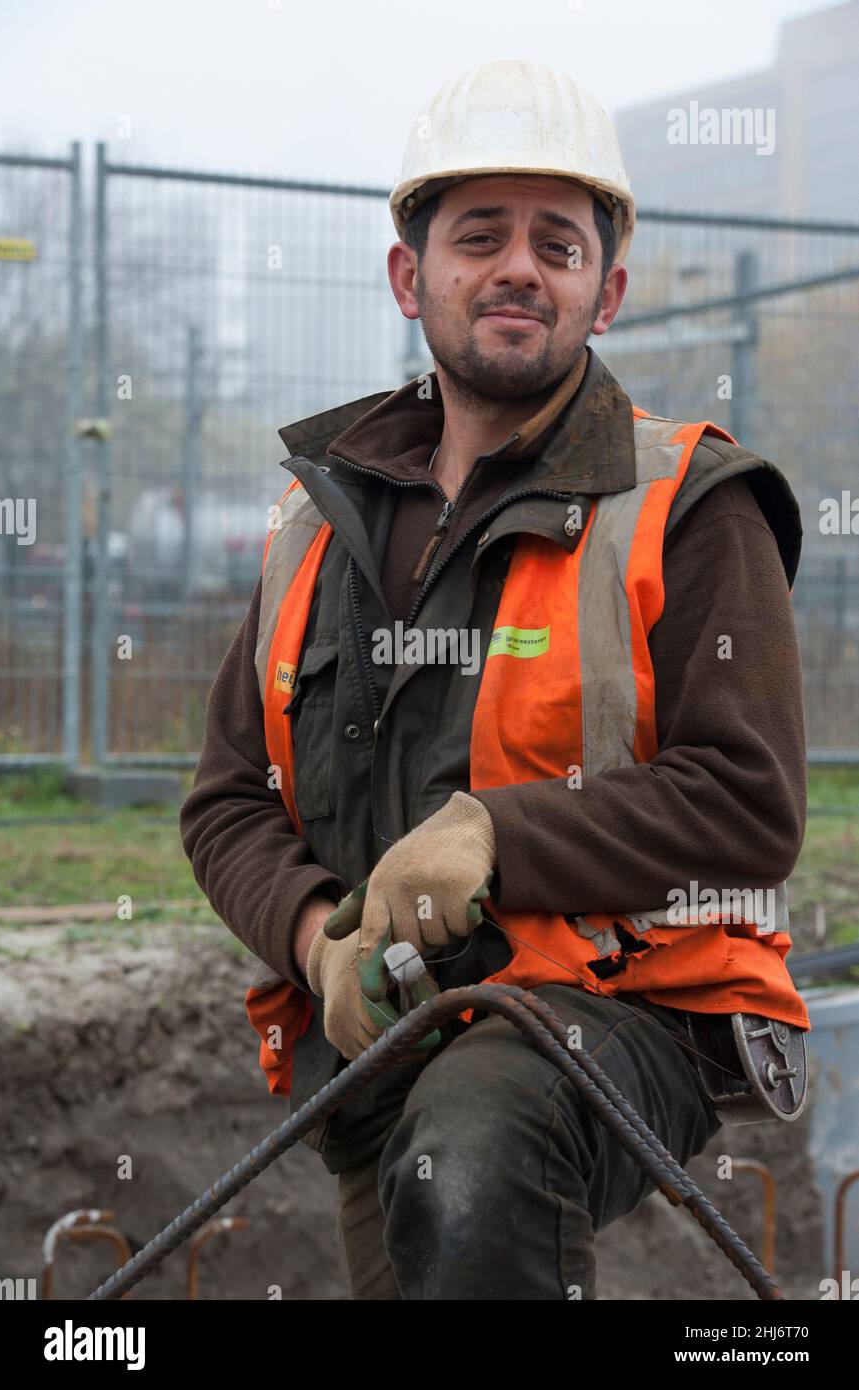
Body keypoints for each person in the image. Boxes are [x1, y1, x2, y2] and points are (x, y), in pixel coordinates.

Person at [180, 59, 810, 1300]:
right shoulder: (315, 530)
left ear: (606, 290)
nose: (520, 267)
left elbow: (751, 802)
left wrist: (494, 835)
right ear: (411, 277)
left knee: (476, 1145)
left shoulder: (685, 504)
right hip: (380, 1050)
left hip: (628, 1015)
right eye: (480, 237)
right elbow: (226, 801)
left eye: (557, 244)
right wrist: (316, 944)